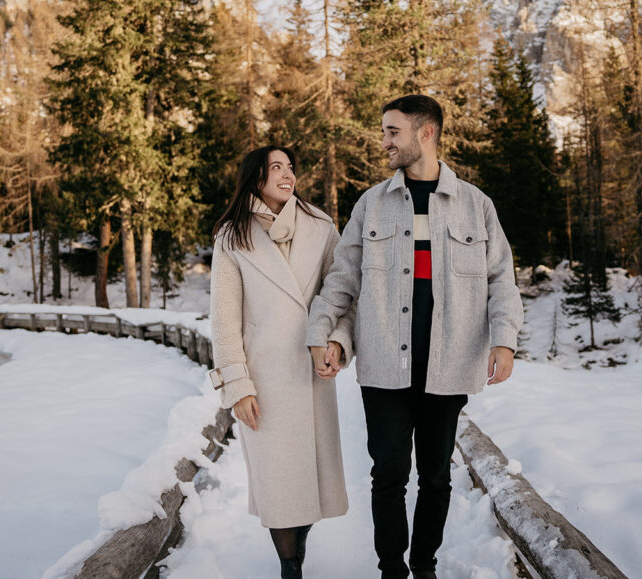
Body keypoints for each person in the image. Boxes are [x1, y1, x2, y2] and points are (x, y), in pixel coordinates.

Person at [306, 94, 524, 579]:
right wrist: (323, 333)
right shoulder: (372, 205)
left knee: (436, 477)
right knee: (387, 476)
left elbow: (501, 280)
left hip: (448, 368)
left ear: (425, 133)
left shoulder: (475, 205)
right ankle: (391, 570)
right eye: (384, 131)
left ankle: (423, 566)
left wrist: (504, 340)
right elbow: (343, 280)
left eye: (392, 131)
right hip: (384, 368)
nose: (383, 141)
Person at [209, 145, 354, 579]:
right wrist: (238, 386)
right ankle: (289, 565)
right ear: (256, 178)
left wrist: (338, 343)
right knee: (277, 483)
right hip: (265, 379)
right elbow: (223, 321)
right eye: (276, 168)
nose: (287, 174)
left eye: (290, 167)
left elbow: (344, 295)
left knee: (308, 480)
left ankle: (299, 543)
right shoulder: (232, 237)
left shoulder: (321, 226)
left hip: (310, 372)